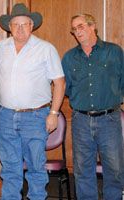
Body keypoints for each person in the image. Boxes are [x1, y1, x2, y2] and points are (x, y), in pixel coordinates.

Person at [0, 3, 65, 200]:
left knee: (36, 169)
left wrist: (54, 114)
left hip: (36, 116)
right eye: (16, 24)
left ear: (32, 25)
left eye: (25, 24)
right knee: (10, 169)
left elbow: (60, 83)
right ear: (9, 27)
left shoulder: (45, 49)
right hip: (5, 116)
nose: (20, 29)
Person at [62, 13, 124, 200]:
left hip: (109, 119)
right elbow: (67, 88)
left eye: (81, 26)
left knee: (114, 169)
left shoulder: (114, 52)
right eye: (74, 28)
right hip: (81, 119)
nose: (77, 31)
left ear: (93, 26)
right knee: (82, 170)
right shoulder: (69, 57)